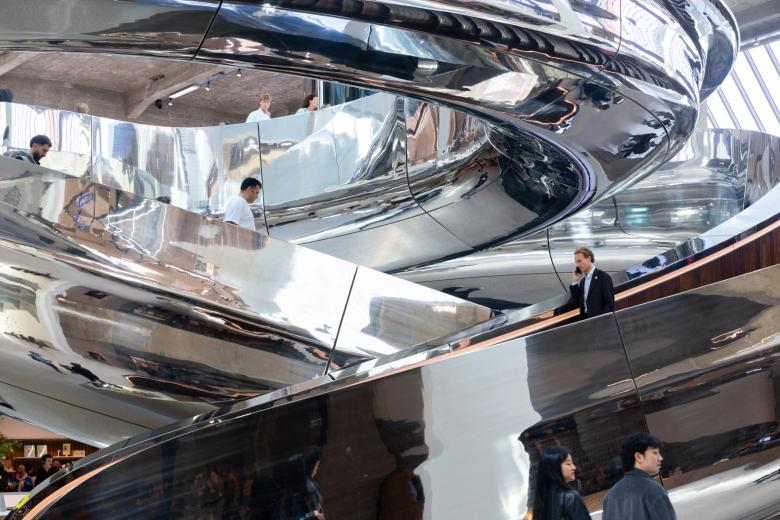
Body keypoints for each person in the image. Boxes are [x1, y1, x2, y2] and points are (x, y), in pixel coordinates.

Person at [602, 433, 676, 520]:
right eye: (655, 453)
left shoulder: (610, 497)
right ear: (638, 457)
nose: (660, 458)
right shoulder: (654, 491)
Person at [532, 446, 591, 520]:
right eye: (568, 464)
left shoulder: (542, 499)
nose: (574, 467)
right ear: (555, 467)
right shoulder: (570, 497)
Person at [569, 246, 614, 319]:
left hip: (599, 321)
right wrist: (574, 281)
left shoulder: (603, 276)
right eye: (576, 262)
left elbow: (610, 304)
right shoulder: (583, 282)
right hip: (585, 321)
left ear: (589, 259)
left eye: (579, 261)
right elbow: (577, 304)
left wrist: (599, 321)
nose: (577, 265)